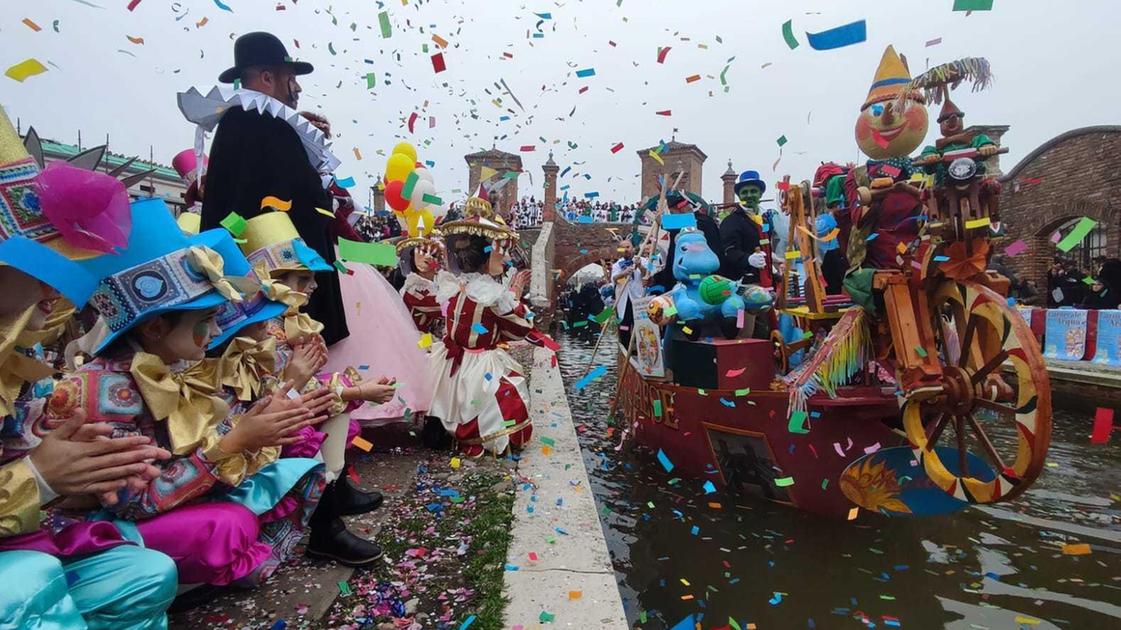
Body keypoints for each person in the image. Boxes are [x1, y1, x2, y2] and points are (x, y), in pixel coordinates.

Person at [0, 109, 178, 628]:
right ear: (154, 327)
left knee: (142, 572)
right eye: (37, 266)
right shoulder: (101, 384)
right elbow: (144, 500)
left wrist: (80, 476)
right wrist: (41, 478)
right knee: (29, 579)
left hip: (36, 535)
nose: (53, 291)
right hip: (27, 553)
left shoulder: (22, 367)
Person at [193, 31, 349, 345]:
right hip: (277, 293)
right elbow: (298, 205)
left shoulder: (243, 121)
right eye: (291, 78)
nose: (298, 88)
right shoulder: (264, 124)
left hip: (254, 286)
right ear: (267, 77)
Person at [426, 191, 551, 457]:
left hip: (452, 360)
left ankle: (451, 433)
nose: (505, 259)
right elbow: (521, 328)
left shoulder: (454, 286)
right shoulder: (491, 294)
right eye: (500, 251)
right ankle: (477, 439)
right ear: (485, 254)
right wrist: (515, 292)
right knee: (507, 393)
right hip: (478, 362)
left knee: (453, 398)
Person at [719, 171, 767, 286]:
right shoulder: (731, 221)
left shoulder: (764, 220)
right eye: (744, 192)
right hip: (742, 283)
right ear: (739, 196)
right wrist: (747, 259)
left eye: (753, 191)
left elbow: (765, 242)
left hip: (765, 278)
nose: (749, 195)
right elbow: (728, 251)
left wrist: (772, 258)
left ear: (760, 194)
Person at [610, 238, 647, 348]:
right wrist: (624, 273)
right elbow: (614, 279)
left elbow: (648, 276)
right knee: (624, 326)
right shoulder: (617, 265)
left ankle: (641, 350)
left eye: (628, 247)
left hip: (639, 298)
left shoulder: (644, 261)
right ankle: (625, 349)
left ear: (633, 248)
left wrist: (640, 266)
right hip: (624, 299)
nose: (626, 250)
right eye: (623, 247)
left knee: (640, 326)